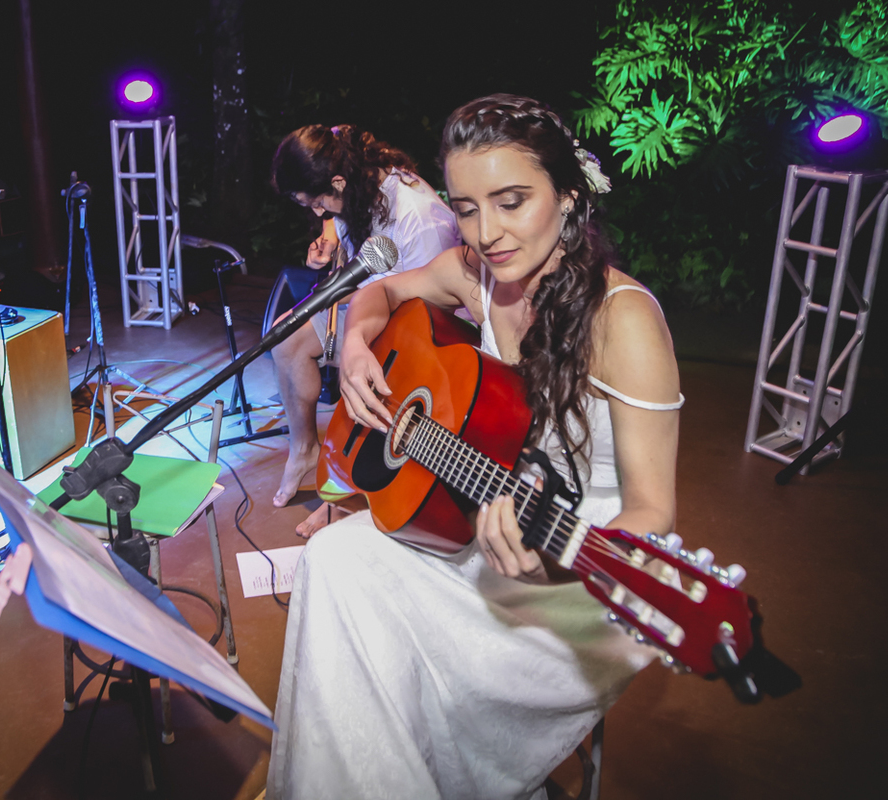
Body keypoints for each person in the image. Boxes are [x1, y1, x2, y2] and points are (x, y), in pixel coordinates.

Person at [266, 94, 684, 799]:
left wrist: (549, 568)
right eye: (465, 207)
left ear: (570, 196)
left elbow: (653, 515)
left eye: (512, 201)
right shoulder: (478, 274)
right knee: (333, 558)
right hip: (483, 514)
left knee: (371, 619)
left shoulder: (627, 321)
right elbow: (381, 294)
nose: (485, 231)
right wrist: (360, 342)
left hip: (579, 563)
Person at [268, 124, 460, 513]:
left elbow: (431, 314)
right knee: (285, 335)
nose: (317, 212)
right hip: (368, 305)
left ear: (337, 182)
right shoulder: (352, 174)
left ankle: (349, 482)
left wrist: (358, 337)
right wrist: (329, 240)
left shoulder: (418, 217)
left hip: (419, 328)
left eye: (317, 202)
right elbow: (336, 215)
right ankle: (304, 450)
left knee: (358, 373)